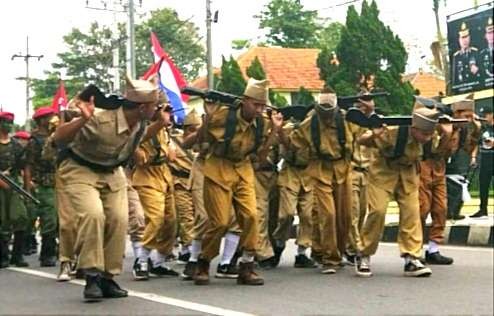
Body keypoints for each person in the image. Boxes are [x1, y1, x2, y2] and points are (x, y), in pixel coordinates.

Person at [54, 75, 169, 301]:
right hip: (80, 168)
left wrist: (160, 124)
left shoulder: (140, 121)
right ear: (142, 107)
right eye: (155, 106)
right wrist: (81, 121)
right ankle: (92, 276)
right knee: (93, 215)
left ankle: (108, 277)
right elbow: (58, 138)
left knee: (119, 219)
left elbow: (138, 137)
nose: (158, 108)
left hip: (111, 170)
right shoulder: (99, 118)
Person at [192, 78, 283, 286]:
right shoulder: (224, 116)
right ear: (244, 101)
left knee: (251, 216)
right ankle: (204, 261)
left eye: (262, 106)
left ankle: (247, 266)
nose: (259, 110)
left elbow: (260, 157)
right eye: (255, 105)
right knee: (220, 222)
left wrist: (275, 131)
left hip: (243, 170)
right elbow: (202, 143)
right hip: (218, 169)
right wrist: (207, 117)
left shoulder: (262, 123)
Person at [356, 106, 440, 278]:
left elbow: (440, 151)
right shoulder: (393, 131)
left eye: (430, 134)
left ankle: (411, 258)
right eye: (424, 134)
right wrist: (375, 133)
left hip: (408, 173)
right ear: (414, 128)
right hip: (383, 171)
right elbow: (361, 140)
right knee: (378, 211)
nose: (428, 138)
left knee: (412, 213)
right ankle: (364, 253)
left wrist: (446, 133)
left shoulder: (432, 136)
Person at [278, 89, 353, 274]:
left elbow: (364, 135)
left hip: (343, 169)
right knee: (328, 214)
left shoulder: (347, 120)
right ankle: (330, 258)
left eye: (330, 110)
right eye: (323, 110)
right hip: (320, 170)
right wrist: (278, 129)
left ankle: (339, 251)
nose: (326, 114)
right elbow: (292, 144)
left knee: (345, 216)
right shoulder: (309, 123)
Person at [131, 92, 179, 280]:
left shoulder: (164, 130)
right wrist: (159, 122)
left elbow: (171, 155)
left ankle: (158, 261)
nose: (167, 112)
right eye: (163, 108)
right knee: (156, 218)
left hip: (164, 176)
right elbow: (140, 159)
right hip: (147, 177)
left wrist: (165, 125)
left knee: (171, 221)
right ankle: (141, 260)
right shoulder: (140, 128)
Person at [271, 118, 316, 269]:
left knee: (307, 216)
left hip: (309, 174)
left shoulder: (317, 131)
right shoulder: (290, 128)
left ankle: (302, 252)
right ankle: (279, 243)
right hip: (290, 172)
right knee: (286, 214)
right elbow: (284, 145)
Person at [417, 99, 455, 265]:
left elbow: (447, 152)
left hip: (438, 169)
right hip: (423, 167)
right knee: (422, 208)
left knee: (441, 209)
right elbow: (429, 149)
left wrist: (448, 134)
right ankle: (415, 248)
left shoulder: (451, 130)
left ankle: (433, 249)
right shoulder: (424, 130)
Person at [25, 106, 59, 267]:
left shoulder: (57, 135)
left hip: (58, 181)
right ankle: (47, 254)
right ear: (41, 121)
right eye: (49, 117)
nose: (52, 119)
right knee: (48, 218)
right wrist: (28, 184)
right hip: (42, 183)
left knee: (58, 219)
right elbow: (28, 165)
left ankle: (57, 250)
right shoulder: (35, 140)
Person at [345, 92, 375, 265]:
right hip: (352, 170)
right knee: (353, 213)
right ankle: (357, 248)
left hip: (368, 172)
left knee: (363, 212)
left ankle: (351, 248)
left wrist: (370, 115)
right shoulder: (349, 121)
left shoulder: (374, 121)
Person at [0, 111, 30, 268]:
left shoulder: (16, 146)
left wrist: (26, 189)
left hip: (13, 184)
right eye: (4, 121)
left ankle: (17, 255)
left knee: (20, 218)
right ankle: (2, 256)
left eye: (10, 122)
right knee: (2, 220)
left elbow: (24, 168)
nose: (7, 125)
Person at [445, 96, 482, 220]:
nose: (469, 120)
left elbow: (469, 147)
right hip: (437, 165)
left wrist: (477, 129)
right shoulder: (444, 127)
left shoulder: (463, 130)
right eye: (466, 116)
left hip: (452, 164)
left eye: (471, 117)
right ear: (456, 114)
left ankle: (453, 212)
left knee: (457, 187)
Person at [471, 106, 493, 218]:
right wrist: (473, 157)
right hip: (485, 160)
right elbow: (477, 144)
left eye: (486, 115)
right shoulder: (483, 128)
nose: (484, 118)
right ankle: (483, 209)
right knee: (483, 185)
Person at [452, 22, 480, 86]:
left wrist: (477, 69)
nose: (465, 41)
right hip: (463, 88)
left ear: (469, 38)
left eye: (466, 37)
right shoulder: (456, 57)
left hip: (476, 85)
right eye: (462, 38)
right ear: (459, 40)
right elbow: (455, 79)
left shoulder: (475, 52)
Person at [479, 17, 494, 83]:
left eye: (493, 32)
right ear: (485, 36)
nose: (492, 36)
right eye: (489, 33)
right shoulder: (482, 54)